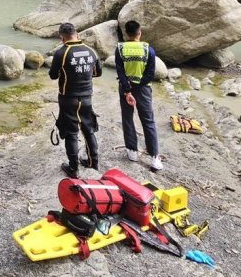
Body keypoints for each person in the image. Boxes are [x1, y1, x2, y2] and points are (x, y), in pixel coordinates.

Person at [49, 22, 102, 178]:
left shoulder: (61, 53)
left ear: (61, 38)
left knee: (72, 134)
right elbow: (97, 73)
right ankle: (93, 163)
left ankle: (74, 169)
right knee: (88, 130)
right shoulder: (91, 51)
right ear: (77, 33)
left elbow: (53, 75)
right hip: (87, 98)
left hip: (68, 99)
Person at [115, 20, 162, 171]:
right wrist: (138, 85)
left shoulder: (120, 49)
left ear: (126, 33)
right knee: (148, 121)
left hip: (125, 88)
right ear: (139, 32)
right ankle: (154, 157)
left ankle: (132, 151)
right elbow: (150, 73)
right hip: (143, 89)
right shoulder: (148, 49)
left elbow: (120, 72)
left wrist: (128, 90)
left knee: (127, 118)